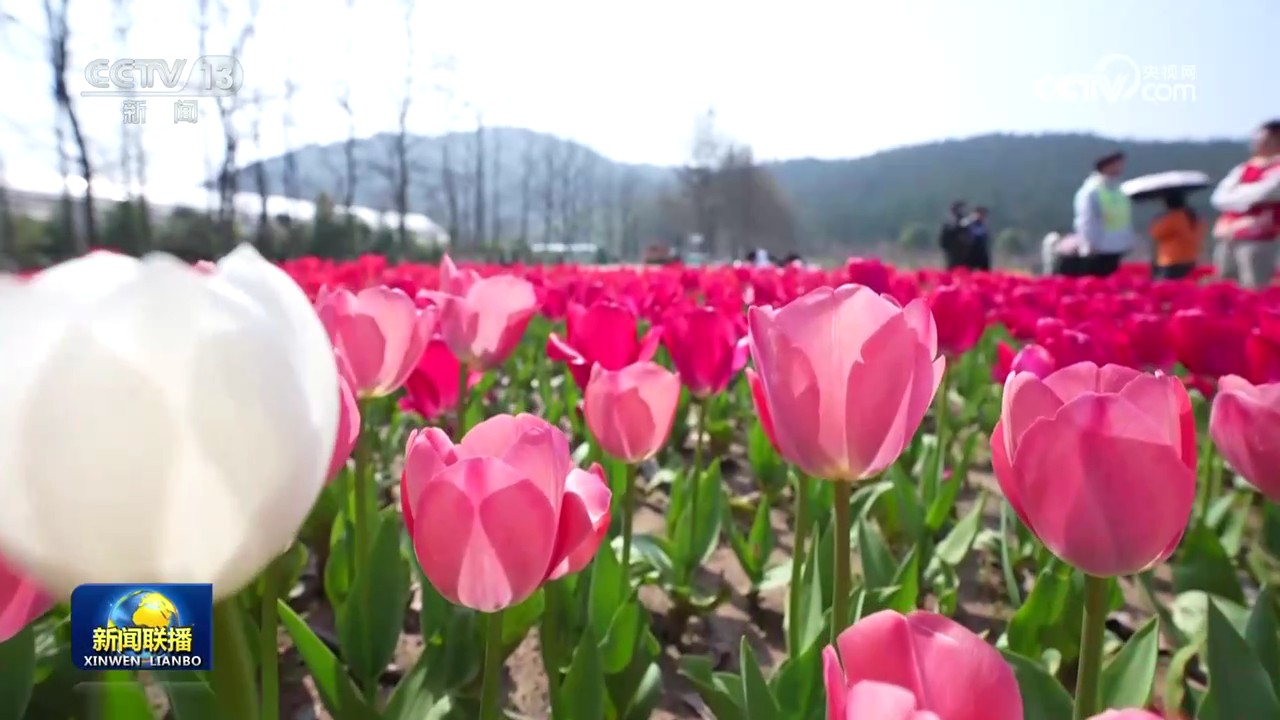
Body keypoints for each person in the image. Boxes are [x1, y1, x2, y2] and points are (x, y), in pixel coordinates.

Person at [1210, 119, 1280, 289]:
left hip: (1259, 238)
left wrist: (1237, 196)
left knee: (1253, 286)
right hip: (1228, 235)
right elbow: (1219, 198)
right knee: (1225, 284)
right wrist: (1246, 200)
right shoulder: (1243, 168)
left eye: (1263, 138)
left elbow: (1266, 193)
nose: (1257, 142)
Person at [1072, 151, 1136, 277]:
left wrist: (1128, 241)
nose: (1121, 167)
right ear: (1106, 166)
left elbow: (1125, 219)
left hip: (1116, 247)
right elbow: (1086, 220)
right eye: (1117, 164)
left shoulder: (1119, 190)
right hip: (1098, 250)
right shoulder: (1092, 191)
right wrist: (1090, 244)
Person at [1149, 190, 1204, 280]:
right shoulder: (1193, 217)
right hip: (1190, 258)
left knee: (1169, 286)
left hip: (1171, 261)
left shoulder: (1172, 218)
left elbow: (1155, 233)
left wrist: (1157, 220)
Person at [938, 201, 970, 269]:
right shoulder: (949, 224)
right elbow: (944, 239)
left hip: (965, 253)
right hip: (953, 252)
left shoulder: (966, 223)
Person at [961, 206, 992, 270]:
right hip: (971, 250)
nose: (982, 216)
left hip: (981, 250)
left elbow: (986, 237)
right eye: (981, 213)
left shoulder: (983, 225)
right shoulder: (969, 222)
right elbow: (962, 225)